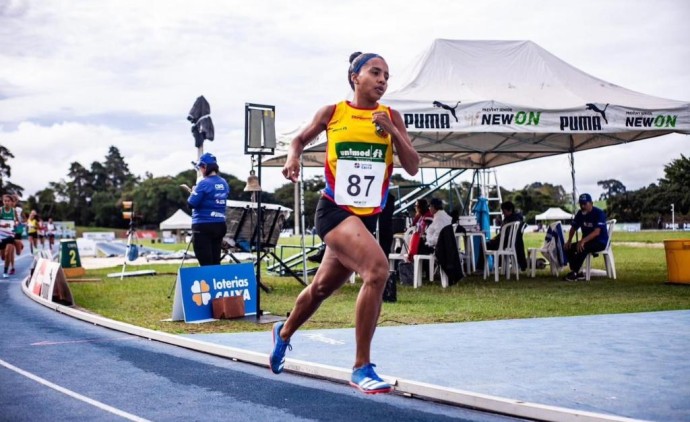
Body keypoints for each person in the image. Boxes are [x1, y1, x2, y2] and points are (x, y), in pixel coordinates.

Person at [270, 51, 419, 395]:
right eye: (375, 72)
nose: (382, 80)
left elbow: (412, 165)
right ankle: (361, 367)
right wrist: (293, 157)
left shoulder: (392, 116)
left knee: (322, 288)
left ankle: (284, 331)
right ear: (355, 76)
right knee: (377, 271)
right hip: (334, 210)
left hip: (366, 219)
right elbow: (298, 140)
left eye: (387, 76)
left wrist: (393, 131)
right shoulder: (333, 112)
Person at [185, 152, 230, 266]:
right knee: (215, 260)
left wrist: (193, 192)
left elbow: (191, 204)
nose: (200, 171)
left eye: (200, 168)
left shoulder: (203, 183)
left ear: (205, 167)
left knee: (205, 262)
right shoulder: (224, 182)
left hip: (203, 225)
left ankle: (208, 283)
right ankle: (217, 282)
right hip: (220, 224)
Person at [563, 193, 609, 281]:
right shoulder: (580, 214)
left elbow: (596, 232)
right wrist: (569, 241)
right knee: (568, 248)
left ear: (591, 203)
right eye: (581, 204)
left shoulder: (599, 213)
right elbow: (573, 228)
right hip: (587, 241)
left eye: (585, 204)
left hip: (600, 241)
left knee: (582, 247)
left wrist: (583, 241)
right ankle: (577, 272)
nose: (582, 206)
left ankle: (575, 273)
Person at [480, 201, 527, 271]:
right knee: (491, 242)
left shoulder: (510, 220)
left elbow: (504, 235)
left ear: (510, 210)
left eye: (504, 212)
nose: (503, 213)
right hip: (513, 244)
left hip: (505, 243)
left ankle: (481, 268)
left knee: (483, 244)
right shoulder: (517, 220)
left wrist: (494, 239)